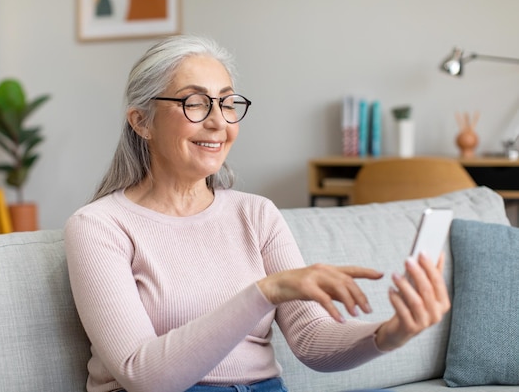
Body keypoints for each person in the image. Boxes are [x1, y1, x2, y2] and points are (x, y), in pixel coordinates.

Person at [64, 35, 450, 392]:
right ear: (141, 121)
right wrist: (266, 292)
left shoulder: (256, 214)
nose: (218, 122)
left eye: (228, 103)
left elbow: (312, 339)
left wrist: (390, 333)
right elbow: (140, 373)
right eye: (195, 103)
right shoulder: (99, 226)